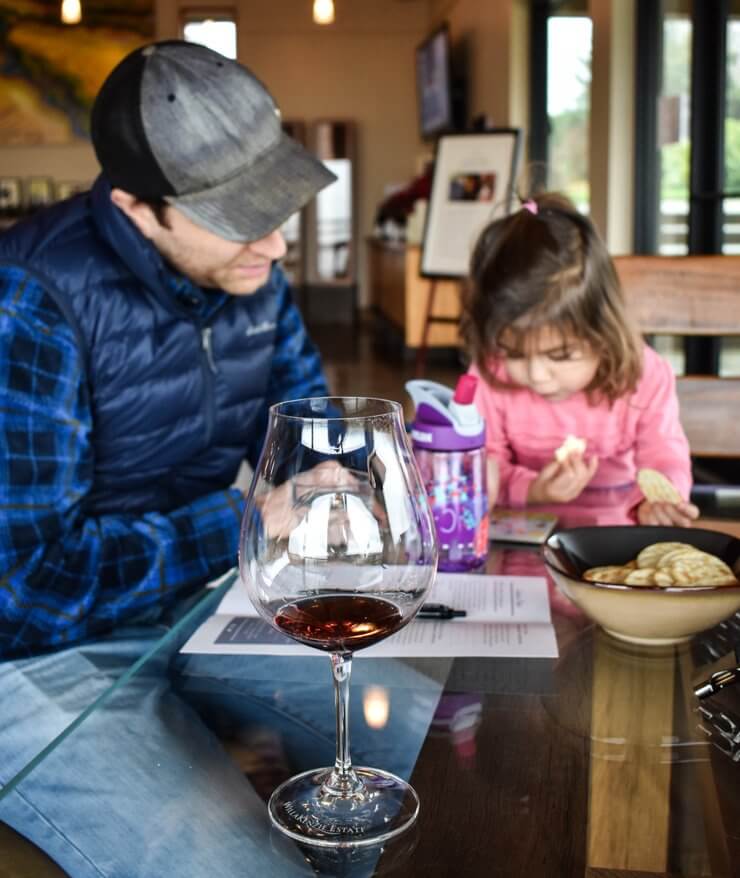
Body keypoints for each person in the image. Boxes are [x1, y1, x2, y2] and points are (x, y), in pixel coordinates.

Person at [0, 41, 442, 878]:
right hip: (38, 659)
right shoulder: (28, 304)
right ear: (136, 208)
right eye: (243, 218)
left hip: (203, 607)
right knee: (240, 867)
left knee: (435, 741)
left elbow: (311, 427)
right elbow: (23, 591)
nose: (276, 247)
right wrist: (245, 521)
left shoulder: (249, 273)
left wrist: (357, 469)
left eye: (275, 208)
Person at [462, 192, 699, 528]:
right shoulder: (490, 373)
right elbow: (484, 460)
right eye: (514, 352)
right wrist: (532, 489)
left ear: (602, 334)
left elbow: (663, 454)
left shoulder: (644, 375)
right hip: (523, 524)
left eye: (560, 356)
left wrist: (656, 502)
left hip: (620, 524)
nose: (537, 375)